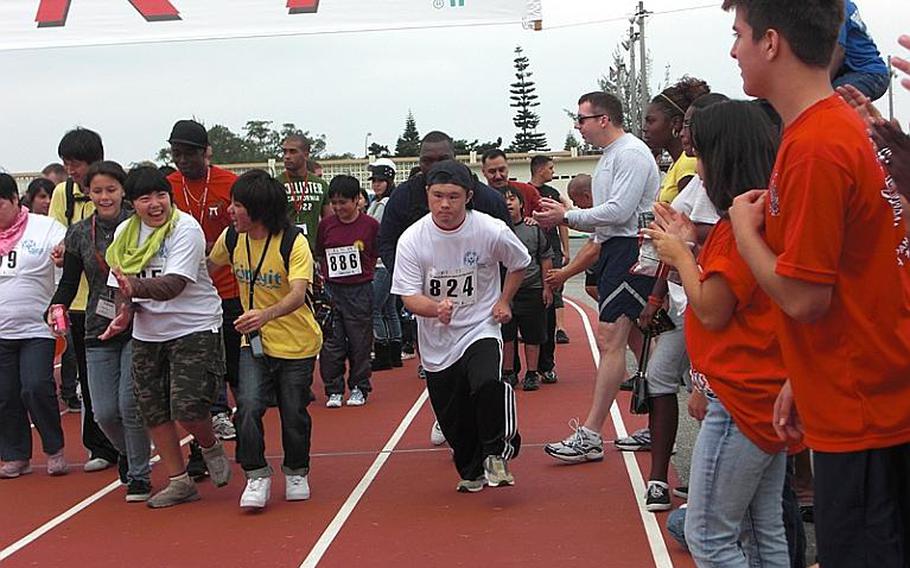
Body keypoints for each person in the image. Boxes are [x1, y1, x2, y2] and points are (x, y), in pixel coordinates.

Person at [722, 2, 910, 566]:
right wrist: (804, 374)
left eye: (739, 36)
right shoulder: (843, 125)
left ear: (772, 42)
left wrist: (743, 229)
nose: (734, 51)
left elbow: (806, 297)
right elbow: (866, 268)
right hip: (866, 391)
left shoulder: (815, 145)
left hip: (863, 414)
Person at [646, 99, 790, 567]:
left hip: (742, 399)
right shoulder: (758, 219)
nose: (698, 170)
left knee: (708, 536)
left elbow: (712, 310)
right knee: (760, 528)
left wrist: (681, 254)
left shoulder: (740, 228)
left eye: (702, 155)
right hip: (762, 393)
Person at [534, 91, 660, 463]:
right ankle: (659, 419)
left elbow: (618, 212)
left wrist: (567, 216)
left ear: (604, 119)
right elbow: (604, 228)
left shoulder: (631, 154)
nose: (578, 126)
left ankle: (590, 434)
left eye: (582, 119)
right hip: (616, 250)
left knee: (611, 338)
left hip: (631, 250)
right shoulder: (611, 158)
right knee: (638, 342)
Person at [391, 160, 529, 492]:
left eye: (453, 197)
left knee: (487, 383)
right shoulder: (412, 239)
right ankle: (473, 468)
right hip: (437, 339)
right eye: (437, 196)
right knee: (453, 417)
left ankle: (497, 452)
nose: (444, 205)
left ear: (468, 196)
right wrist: (435, 308)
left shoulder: (490, 230)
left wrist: (503, 301)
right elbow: (408, 295)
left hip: (480, 326)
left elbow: (520, 262)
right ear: (427, 195)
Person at [102, 166, 231, 508]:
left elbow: (173, 285)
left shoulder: (185, 228)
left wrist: (136, 287)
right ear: (133, 204)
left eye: (161, 196)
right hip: (148, 332)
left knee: (188, 407)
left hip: (194, 325)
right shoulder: (125, 235)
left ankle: (209, 445)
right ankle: (179, 481)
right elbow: (120, 288)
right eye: (145, 198)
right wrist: (123, 314)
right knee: (153, 410)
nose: (155, 204)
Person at [208, 170, 323, 510]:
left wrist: (265, 313)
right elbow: (205, 269)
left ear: (259, 210)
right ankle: (256, 474)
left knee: (293, 412)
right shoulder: (231, 239)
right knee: (247, 408)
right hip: (254, 342)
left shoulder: (293, 242)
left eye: (238, 205)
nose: (230, 210)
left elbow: (299, 295)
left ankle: (297, 470)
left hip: (298, 343)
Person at [49, 161, 152, 501]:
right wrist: (56, 305)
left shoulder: (140, 225)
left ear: (123, 191)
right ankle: (128, 451)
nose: (104, 197)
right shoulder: (79, 232)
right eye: (97, 191)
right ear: (88, 194)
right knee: (104, 412)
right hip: (97, 325)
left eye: (111, 190)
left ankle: (139, 474)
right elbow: (69, 281)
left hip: (140, 322)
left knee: (129, 404)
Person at [48, 127, 119, 472]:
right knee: (92, 378)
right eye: (67, 164)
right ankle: (99, 445)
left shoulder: (114, 189)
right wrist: (61, 249)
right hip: (80, 300)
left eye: (77, 163)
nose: (72, 171)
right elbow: (56, 232)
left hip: (119, 298)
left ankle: (129, 436)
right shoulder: (63, 193)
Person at [166, 119, 240, 448]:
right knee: (202, 363)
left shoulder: (229, 184)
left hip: (228, 286)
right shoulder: (166, 187)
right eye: (176, 153)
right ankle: (216, 413)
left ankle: (242, 410)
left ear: (206, 152)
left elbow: (242, 229)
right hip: (186, 293)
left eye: (189, 154)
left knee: (233, 358)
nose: (182, 161)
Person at [0, 173, 68, 478]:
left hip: (36, 328)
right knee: (5, 394)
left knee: (35, 387)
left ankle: (54, 448)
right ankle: (16, 455)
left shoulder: (46, 228)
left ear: (16, 200)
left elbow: (67, 260)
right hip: (2, 330)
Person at [316, 175, 379, 408]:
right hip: (332, 290)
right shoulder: (326, 225)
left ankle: (359, 386)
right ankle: (333, 388)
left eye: (343, 202)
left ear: (357, 200)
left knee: (360, 342)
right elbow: (320, 252)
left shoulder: (370, 226)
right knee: (331, 342)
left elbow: (376, 252)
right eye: (334, 203)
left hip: (360, 290)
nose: (338, 208)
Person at [500, 186, 552, 391]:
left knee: (533, 335)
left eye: (512, 199)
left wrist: (547, 288)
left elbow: (545, 259)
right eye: (504, 200)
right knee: (507, 335)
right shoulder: (496, 229)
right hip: (505, 292)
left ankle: (532, 373)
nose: (508, 203)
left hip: (532, 289)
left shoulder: (534, 229)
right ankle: (509, 372)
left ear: (521, 204)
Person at [528, 155, 570, 369]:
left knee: (553, 295)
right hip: (533, 255)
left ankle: (548, 358)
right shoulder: (525, 193)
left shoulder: (553, 194)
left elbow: (563, 222)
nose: (553, 172)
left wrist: (565, 249)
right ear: (540, 169)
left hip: (552, 250)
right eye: (551, 168)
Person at [643, 76, 710, 203]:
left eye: (651, 121)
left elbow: (689, 215)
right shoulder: (676, 163)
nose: (645, 128)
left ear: (675, 123)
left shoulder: (687, 163)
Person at [366, 158, 403, 371]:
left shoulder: (386, 204)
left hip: (383, 261)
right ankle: (394, 351)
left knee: (375, 308)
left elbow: (376, 230)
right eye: (374, 180)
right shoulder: (374, 203)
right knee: (389, 307)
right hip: (383, 261)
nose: (376, 184)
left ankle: (383, 352)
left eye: (381, 180)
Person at [276, 135, 332, 252]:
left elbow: (329, 221)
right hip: (283, 249)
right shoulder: (275, 184)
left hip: (312, 250)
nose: (287, 156)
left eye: (292, 152)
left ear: (306, 155)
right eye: (284, 152)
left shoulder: (321, 184)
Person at [828, 0, 890, 101]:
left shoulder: (836, 6)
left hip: (868, 73)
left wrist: (820, 86)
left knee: (828, 101)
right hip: (851, 72)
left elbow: (838, 50)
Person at [480, 149, 541, 216]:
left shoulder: (528, 191)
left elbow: (545, 216)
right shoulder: (479, 198)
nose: (498, 176)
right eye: (492, 171)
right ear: (483, 172)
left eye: (501, 170)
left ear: (508, 168)